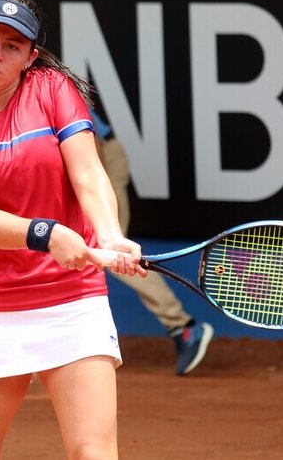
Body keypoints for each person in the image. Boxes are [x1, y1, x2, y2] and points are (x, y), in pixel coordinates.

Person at [0, 0, 145, 460]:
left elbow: (87, 172)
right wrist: (47, 233)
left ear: (29, 58)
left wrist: (111, 233)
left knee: (93, 453)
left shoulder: (54, 90)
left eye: (11, 46)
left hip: (72, 303)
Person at [90, 107, 214, 375]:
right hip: (89, 165)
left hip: (100, 164)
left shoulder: (50, 82)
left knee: (111, 251)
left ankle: (183, 328)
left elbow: (90, 145)